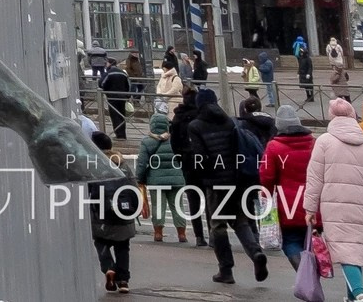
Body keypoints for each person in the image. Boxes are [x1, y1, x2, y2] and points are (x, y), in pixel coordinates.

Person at [179, 86, 268, 282]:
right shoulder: (229, 121)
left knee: (218, 226)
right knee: (240, 221)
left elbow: (200, 157)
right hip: (236, 180)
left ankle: (226, 270)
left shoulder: (196, 125)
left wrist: (200, 175)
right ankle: (256, 254)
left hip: (215, 182)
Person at [310, 97, 363, 298]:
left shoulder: (324, 142)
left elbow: (314, 177)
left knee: (345, 253)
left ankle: (359, 294)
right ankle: (351, 297)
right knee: (353, 251)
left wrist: (309, 208)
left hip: (335, 205)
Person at [262, 107, 316, 274]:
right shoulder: (314, 143)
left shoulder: (274, 146)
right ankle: (310, 276)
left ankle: (304, 275)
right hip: (313, 203)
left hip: (288, 205)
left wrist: (266, 198)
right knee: (310, 242)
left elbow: (266, 177)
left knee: (291, 241)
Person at [86, 129, 136, 294]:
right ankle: (123, 281)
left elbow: (89, 191)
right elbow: (133, 187)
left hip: (102, 214)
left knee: (101, 242)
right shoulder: (122, 163)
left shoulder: (94, 165)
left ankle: (108, 268)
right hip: (124, 212)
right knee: (123, 246)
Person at [137, 111, 192, 243]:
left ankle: (158, 234)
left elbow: (142, 163)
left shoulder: (147, 142)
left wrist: (139, 178)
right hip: (176, 179)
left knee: (158, 206)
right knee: (177, 206)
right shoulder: (175, 140)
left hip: (156, 181)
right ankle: (182, 234)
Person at [100, 59, 134, 140]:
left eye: (107, 63)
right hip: (122, 97)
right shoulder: (123, 73)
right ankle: (123, 134)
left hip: (112, 97)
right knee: (122, 115)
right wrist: (127, 95)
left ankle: (119, 135)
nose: (105, 65)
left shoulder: (109, 73)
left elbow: (102, 83)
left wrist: (105, 91)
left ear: (110, 64)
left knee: (114, 115)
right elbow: (129, 85)